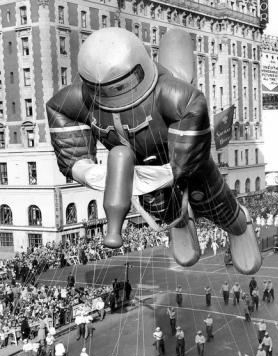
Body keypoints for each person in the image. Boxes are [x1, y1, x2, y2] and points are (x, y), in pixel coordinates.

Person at [46, 27, 261, 276]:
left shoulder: (167, 91)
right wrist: (82, 167)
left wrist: (177, 167)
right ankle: (178, 222)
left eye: (119, 86)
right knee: (160, 207)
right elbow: (58, 111)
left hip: (180, 162)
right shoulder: (80, 98)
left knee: (211, 197)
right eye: (102, 90)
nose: (112, 94)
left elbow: (193, 107)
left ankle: (237, 225)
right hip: (140, 167)